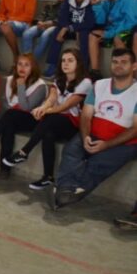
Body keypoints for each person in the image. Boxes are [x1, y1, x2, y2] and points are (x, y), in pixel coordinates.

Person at [48, 49, 137, 210]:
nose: (118, 66)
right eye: (115, 62)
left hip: (124, 142)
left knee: (98, 162)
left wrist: (106, 145)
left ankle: (76, 190)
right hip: (93, 133)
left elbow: (135, 129)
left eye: (124, 62)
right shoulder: (100, 85)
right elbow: (86, 116)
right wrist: (86, 135)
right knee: (71, 151)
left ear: (134, 66)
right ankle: (64, 188)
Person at [1, 49, 92, 188]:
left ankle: (24, 152)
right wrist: (43, 108)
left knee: (50, 118)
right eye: (63, 60)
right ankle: (47, 177)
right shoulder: (58, 79)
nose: (65, 63)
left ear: (78, 63)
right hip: (57, 121)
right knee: (48, 134)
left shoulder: (85, 82)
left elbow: (67, 106)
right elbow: (52, 98)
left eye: (70, 60)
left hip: (74, 124)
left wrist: (47, 111)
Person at [0, 54, 47, 179]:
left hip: (32, 120)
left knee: (10, 116)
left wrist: (21, 87)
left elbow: (26, 108)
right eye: (20, 64)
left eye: (26, 65)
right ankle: (4, 168)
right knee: (8, 125)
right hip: (12, 117)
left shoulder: (40, 86)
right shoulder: (10, 80)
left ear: (33, 68)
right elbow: (5, 104)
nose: (22, 68)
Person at [41, 0, 95, 76]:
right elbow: (62, 17)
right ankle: (52, 66)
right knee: (57, 31)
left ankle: (83, 69)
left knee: (84, 34)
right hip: (70, 28)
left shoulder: (92, 0)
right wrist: (66, 27)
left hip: (83, 29)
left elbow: (89, 23)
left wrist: (72, 28)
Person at [88, 0, 137, 80]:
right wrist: (98, 5)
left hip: (128, 32)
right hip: (112, 31)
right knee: (93, 35)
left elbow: (131, 23)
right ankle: (95, 72)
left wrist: (109, 34)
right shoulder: (107, 1)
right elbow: (100, 20)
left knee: (118, 38)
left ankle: (126, 73)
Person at [20, 0, 67, 64]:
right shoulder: (52, 6)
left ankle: (30, 63)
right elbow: (42, 15)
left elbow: (62, 20)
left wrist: (49, 23)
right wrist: (40, 22)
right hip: (44, 25)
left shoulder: (70, 6)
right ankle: (27, 60)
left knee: (45, 35)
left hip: (56, 27)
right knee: (27, 34)